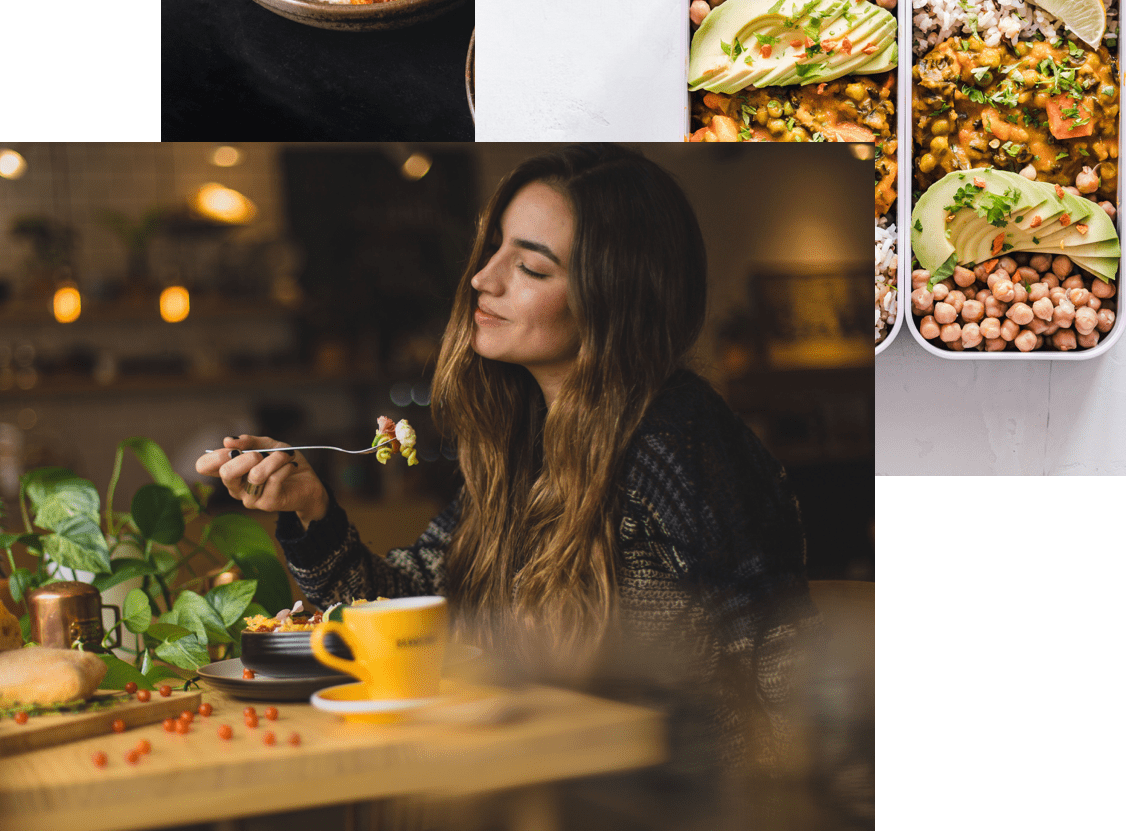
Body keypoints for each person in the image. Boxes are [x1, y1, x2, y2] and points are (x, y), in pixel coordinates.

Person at [195, 145, 813, 758]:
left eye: (533, 269)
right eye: (495, 250)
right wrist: (311, 510)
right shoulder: (525, 443)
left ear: (616, 299)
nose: (481, 279)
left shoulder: (676, 442)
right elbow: (415, 610)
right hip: (543, 778)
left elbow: (782, 666)